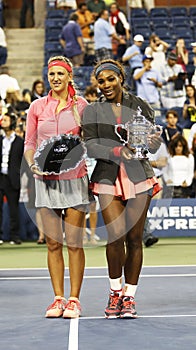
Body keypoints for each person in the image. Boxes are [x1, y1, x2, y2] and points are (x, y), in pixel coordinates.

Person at [82, 59, 162, 318]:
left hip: (139, 176)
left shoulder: (141, 106)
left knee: (135, 239)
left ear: (121, 78)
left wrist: (153, 141)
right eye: (101, 81)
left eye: (110, 79)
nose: (105, 85)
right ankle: (115, 292)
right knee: (115, 237)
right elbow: (91, 146)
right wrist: (117, 150)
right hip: (107, 176)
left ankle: (129, 297)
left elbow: (151, 148)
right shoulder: (93, 111)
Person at [24, 55, 89, 318]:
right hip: (45, 183)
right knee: (53, 244)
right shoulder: (37, 107)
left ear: (69, 76)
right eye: (52, 74)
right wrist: (32, 165)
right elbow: (29, 143)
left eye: (60, 74)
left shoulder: (81, 106)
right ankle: (58, 299)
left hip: (74, 180)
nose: (55, 78)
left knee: (74, 243)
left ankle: (74, 299)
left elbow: (91, 141)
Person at [0, 111, 24, 245]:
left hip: (13, 179)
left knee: (13, 208)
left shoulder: (20, 141)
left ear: (12, 123)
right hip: (0, 177)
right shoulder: (0, 139)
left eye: (6, 120)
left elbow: (23, 161)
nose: (2, 122)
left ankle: (15, 236)